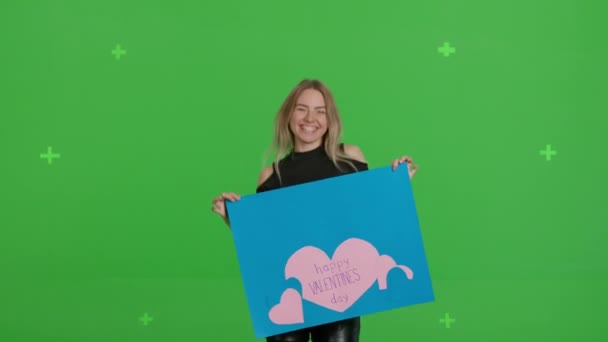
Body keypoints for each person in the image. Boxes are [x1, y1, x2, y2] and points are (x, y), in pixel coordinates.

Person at [211, 79, 419, 342]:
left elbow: (368, 217)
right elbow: (265, 241)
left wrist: (396, 185)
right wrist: (233, 220)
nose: (310, 118)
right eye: (301, 109)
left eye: (320, 110)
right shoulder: (270, 175)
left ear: (330, 119)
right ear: (288, 116)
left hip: (340, 290)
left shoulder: (350, 157)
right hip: (288, 294)